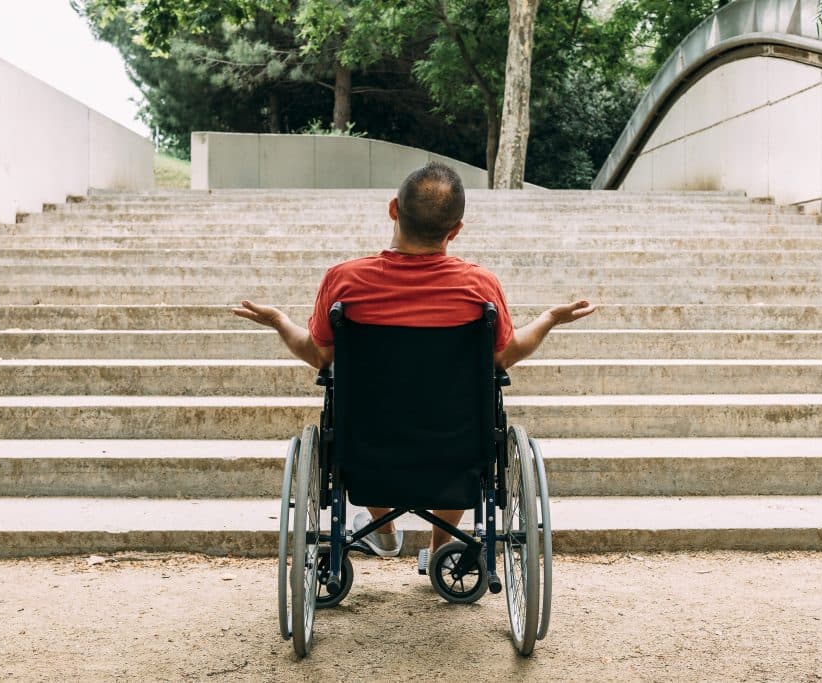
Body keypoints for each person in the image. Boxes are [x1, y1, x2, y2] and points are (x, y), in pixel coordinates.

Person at [232, 162, 596, 561]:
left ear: (393, 209)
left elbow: (319, 356)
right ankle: (443, 546)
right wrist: (548, 319)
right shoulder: (479, 287)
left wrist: (278, 321)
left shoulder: (344, 281)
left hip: (368, 450)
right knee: (473, 421)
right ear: (455, 231)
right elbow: (504, 357)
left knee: (351, 418)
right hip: (456, 449)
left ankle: (384, 532)